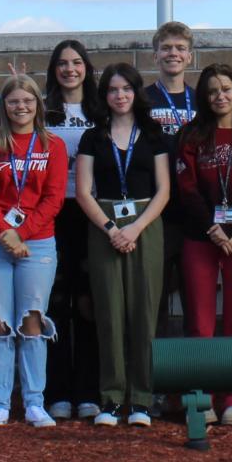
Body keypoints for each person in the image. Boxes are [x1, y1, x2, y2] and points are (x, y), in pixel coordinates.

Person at [75, 62, 171, 426]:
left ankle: (143, 399)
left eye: (126, 89)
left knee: (144, 312)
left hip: (146, 224)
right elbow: (84, 192)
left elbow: (164, 190)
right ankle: (112, 398)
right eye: (113, 90)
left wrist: (135, 229)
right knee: (109, 313)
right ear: (105, 95)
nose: (120, 96)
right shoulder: (93, 136)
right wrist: (112, 228)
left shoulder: (153, 133)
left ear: (137, 92)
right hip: (105, 226)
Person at [0, 74, 67, 427]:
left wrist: (21, 232)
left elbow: (54, 197)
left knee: (32, 321)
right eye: (13, 101)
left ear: (38, 104)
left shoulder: (52, 145)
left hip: (37, 242)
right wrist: (4, 233)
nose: (21, 107)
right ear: (4, 106)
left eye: (27, 101)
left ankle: (34, 402)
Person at [171, 63, 232, 426]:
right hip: (200, 238)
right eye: (212, 91)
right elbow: (186, 189)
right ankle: (200, 397)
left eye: (226, 89)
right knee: (201, 320)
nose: (220, 96)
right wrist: (212, 229)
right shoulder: (191, 136)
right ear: (203, 98)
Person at [43, 38, 103, 421]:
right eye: (62, 63)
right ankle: (58, 391)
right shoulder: (43, 111)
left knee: (89, 303)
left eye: (76, 62)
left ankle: (90, 390)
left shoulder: (100, 110)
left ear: (86, 68)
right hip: (52, 212)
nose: (69, 69)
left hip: (92, 213)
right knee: (55, 302)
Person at [144, 21, 196, 346]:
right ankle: (156, 386)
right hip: (156, 215)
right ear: (155, 56)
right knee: (155, 301)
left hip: (194, 214)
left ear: (190, 56)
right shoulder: (142, 100)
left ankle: (195, 382)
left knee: (196, 300)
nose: (172, 53)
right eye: (166, 48)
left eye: (179, 48)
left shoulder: (201, 100)